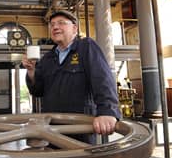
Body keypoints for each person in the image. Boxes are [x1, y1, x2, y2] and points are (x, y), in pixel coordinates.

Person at [22, 10, 121, 143]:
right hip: (52, 127)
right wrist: (31, 71)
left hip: (80, 126)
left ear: (74, 28)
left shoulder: (86, 47)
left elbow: (103, 79)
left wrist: (107, 112)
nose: (55, 27)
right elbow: (37, 91)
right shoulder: (47, 58)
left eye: (61, 23)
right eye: (52, 25)